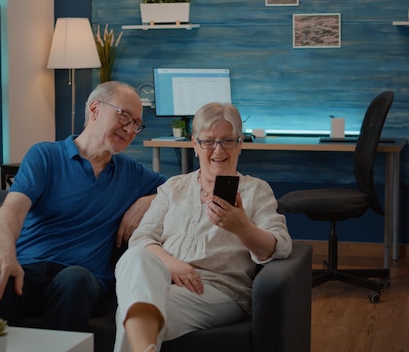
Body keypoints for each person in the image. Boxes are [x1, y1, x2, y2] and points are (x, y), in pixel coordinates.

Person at [0, 81, 167, 331]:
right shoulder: (45, 155)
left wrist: (147, 200)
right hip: (28, 270)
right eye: (124, 117)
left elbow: (183, 189)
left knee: (73, 279)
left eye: (136, 124)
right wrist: (3, 254)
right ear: (95, 109)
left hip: (83, 280)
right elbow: (11, 210)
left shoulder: (131, 173)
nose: (130, 129)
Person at [113, 102, 292, 352]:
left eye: (227, 141)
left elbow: (279, 247)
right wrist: (171, 264)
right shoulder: (173, 187)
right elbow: (142, 237)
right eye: (208, 141)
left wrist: (242, 228)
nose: (218, 149)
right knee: (135, 257)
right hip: (164, 280)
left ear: (240, 144)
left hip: (218, 290)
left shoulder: (256, 190)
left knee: (130, 311)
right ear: (195, 145)